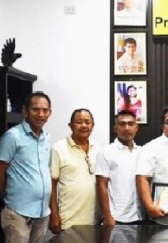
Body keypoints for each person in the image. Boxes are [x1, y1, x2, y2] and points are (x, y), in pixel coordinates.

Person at [0, 91, 52, 242]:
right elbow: (1, 169)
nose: (41, 114)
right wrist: (7, 196)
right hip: (17, 213)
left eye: (45, 110)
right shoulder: (13, 136)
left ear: (50, 112)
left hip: (42, 213)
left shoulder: (46, 137)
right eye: (36, 109)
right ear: (25, 110)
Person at [49, 108, 101, 234]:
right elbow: (51, 185)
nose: (84, 125)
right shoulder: (58, 148)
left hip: (94, 220)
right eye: (79, 122)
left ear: (92, 126)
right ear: (70, 126)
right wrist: (54, 215)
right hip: (68, 220)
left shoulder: (98, 148)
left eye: (87, 122)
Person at [96, 110, 145, 225]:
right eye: (122, 124)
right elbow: (101, 185)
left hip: (141, 216)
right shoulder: (106, 152)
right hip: (117, 218)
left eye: (131, 124)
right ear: (115, 128)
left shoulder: (143, 152)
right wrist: (107, 216)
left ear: (136, 128)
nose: (127, 128)